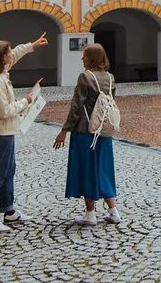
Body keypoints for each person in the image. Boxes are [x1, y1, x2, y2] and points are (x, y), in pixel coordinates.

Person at [0, 32, 48, 232]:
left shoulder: (0, 72)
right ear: (3, 58)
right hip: (0, 132)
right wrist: (25, 102)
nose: (11, 54)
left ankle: (8, 210)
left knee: (9, 171)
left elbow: (17, 53)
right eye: (8, 52)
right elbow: (2, 111)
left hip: (6, 130)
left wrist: (32, 44)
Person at [53, 43, 121, 225]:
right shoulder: (110, 77)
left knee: (87, 169)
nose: (82, 59)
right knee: (103, 169)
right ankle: (113, 211)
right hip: (103, 131)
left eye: (85, 56)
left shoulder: (85, 77)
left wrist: (64, 130)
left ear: (92, 58)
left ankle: (90, 214)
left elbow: (76, 107)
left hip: (85, 131)